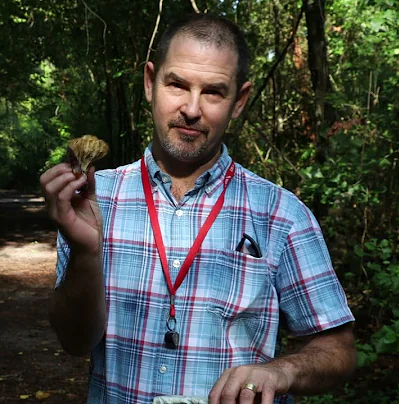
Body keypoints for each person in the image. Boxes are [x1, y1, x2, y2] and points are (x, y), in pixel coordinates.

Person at [40, 13, 356, 404]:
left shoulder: (281, 214)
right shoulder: (93, 198)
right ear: (149, 83)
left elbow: (339, 347)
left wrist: (282, 370)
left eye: (213, 92)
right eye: (177, 84)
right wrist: (87, 252)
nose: (191, 109)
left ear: (238, 101)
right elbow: (74, 342)